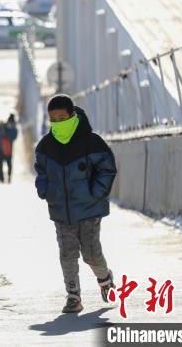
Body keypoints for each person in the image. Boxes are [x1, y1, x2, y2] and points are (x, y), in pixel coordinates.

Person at [34, 94, 117, 314]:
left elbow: (107, 169)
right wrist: (44, 189)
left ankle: (105, 278)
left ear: (72, 115)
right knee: (67, 253)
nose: (58, 123)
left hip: (89, 210)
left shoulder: (92, 142)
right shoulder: (46, 146)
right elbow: (41, 170)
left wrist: (95, 193)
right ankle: (73, 296)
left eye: (62, 118)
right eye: (53, 120)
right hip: (61, 211)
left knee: (91, 253)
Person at [0, 114, 18, 183]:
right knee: (9, 164)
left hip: (3, 148)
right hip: (9, 149)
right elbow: (13, 137)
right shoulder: (14, 127)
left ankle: (3, 178)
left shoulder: (6, 126)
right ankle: (8, 177)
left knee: (2, 164)